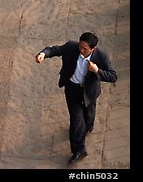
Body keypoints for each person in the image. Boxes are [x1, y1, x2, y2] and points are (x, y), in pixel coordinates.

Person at [35, 32, 117, 164]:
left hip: (89, 91)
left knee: (89, 114)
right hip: (72, 88)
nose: (81, 50)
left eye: (85, 48)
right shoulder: (71, 47)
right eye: (80, 46)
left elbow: (113, 76)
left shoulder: (102, 57)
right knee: (77, 120)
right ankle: (79, 149)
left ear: (93, 49)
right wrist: (43, 54)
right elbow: (54, 50)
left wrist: (97, 71)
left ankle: (88, 126)